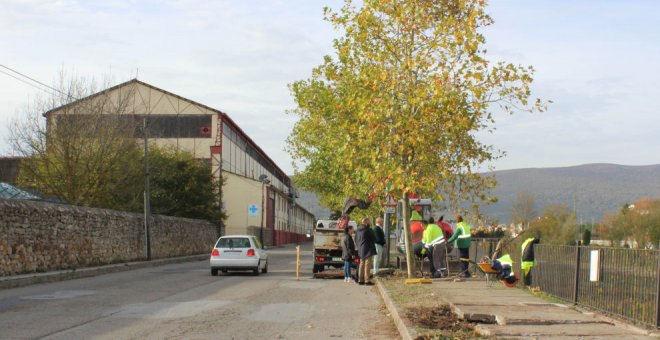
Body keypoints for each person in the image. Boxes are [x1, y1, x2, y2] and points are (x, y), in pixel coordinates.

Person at [355, 217, 377, 285]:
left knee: (361, 264)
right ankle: (367, 280)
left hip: (361, 249)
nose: (369, 223)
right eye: (369, 222)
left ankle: (360, 280)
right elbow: (374, 238)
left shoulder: (358, 230)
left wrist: (359, 246)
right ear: (366, 222)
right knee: (367, 264)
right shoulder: (368, 230)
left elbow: (355, 239)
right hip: (368, 249)